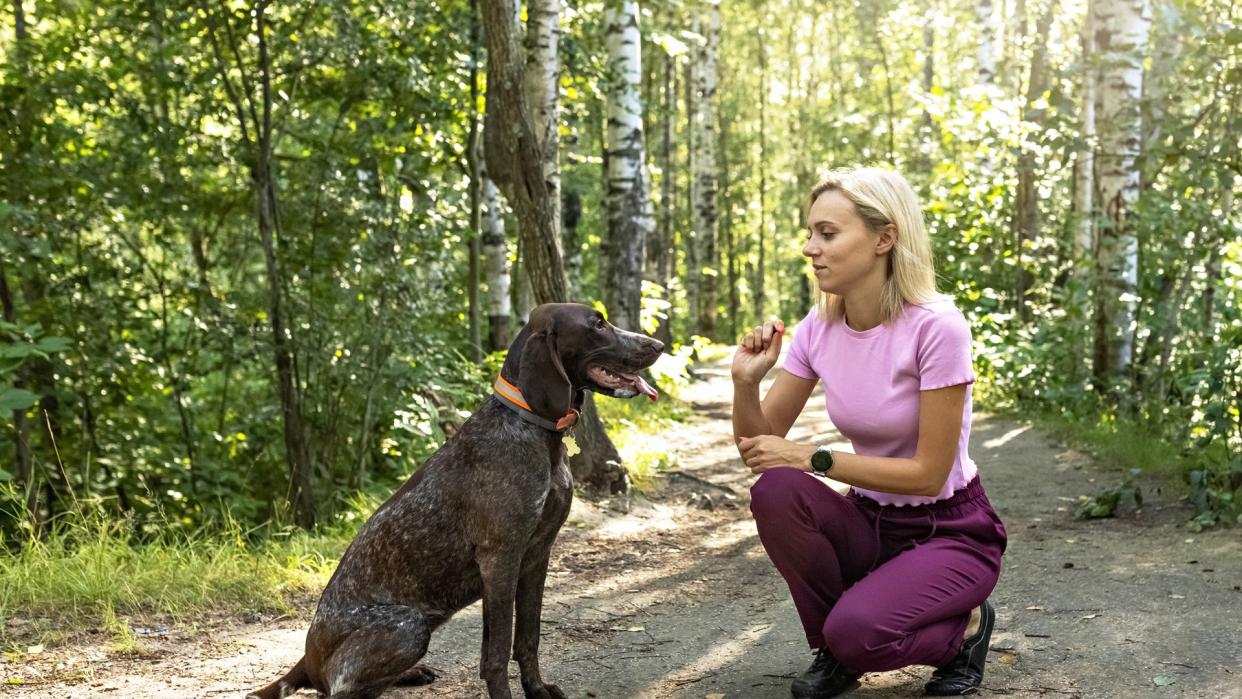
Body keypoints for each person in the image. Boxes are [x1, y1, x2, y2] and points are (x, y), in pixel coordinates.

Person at [731, 167, 1007, 698]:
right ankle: (834, 651)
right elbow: (759, 451)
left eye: (828, 234)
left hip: (949, 532)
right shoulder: (819, 327)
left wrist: (815, 457)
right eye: (810, 233)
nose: (811, 247)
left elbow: (928, 476)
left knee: (860, 635)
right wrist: (746, 383)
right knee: (776, 490)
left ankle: (966, 630)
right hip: (869, 522)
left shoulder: (937, 327)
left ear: (884, 238)